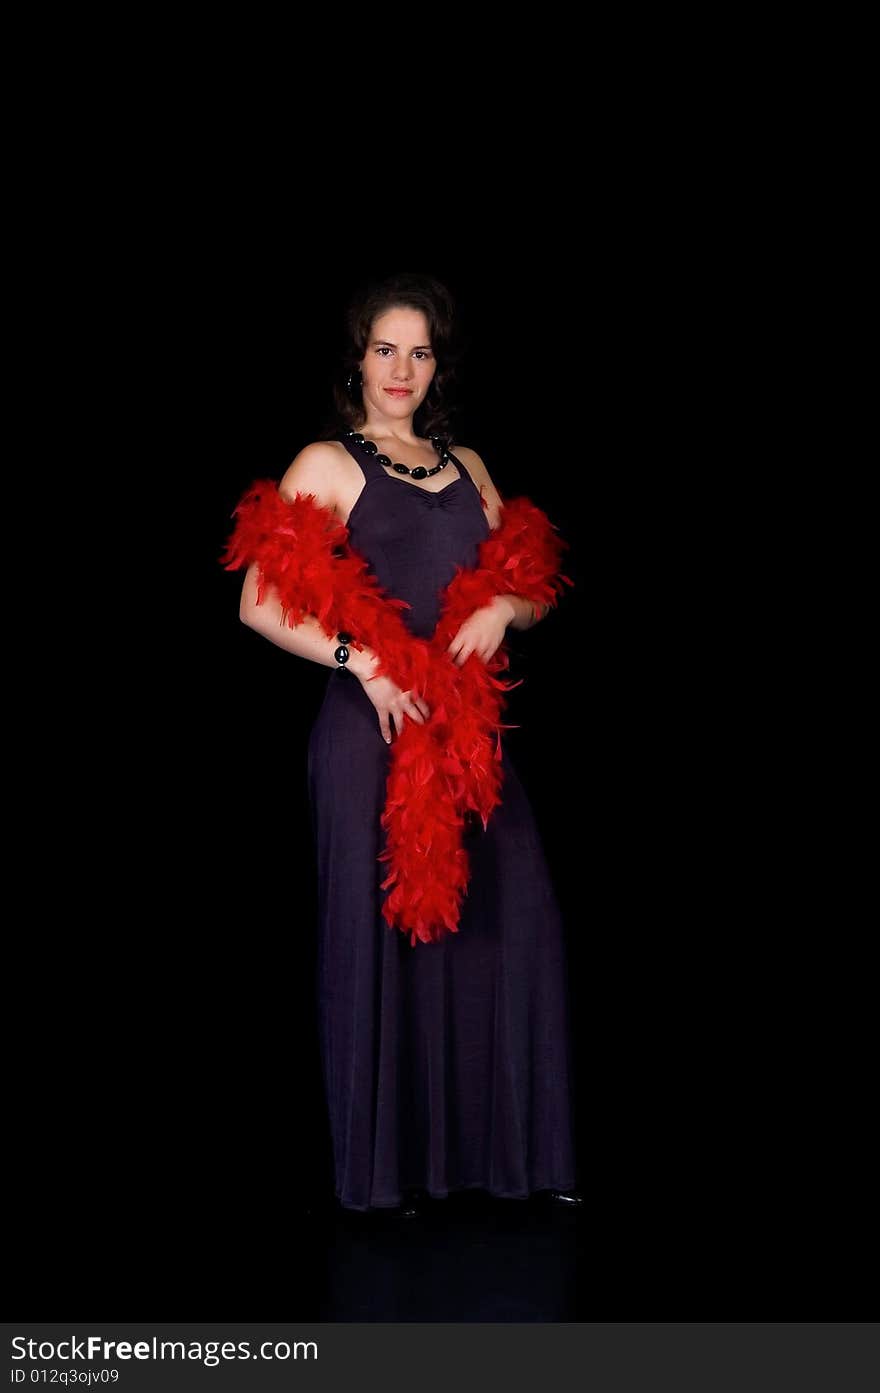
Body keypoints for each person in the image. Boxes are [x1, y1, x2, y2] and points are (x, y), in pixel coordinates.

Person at [233, 272, 581, 1217]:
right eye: (385, 348)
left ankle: (509, 1161)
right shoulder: (327, 462)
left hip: (467, 735)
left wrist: (507, 606)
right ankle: (384, 1178)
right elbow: (258, 599)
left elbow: (537, 580)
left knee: (515, 921)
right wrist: (362, 662)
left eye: (419, 351)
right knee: (376, 941)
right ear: (358, 357)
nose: (402, 367)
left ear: (438, 365)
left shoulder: (466, 464)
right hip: (370, 732)